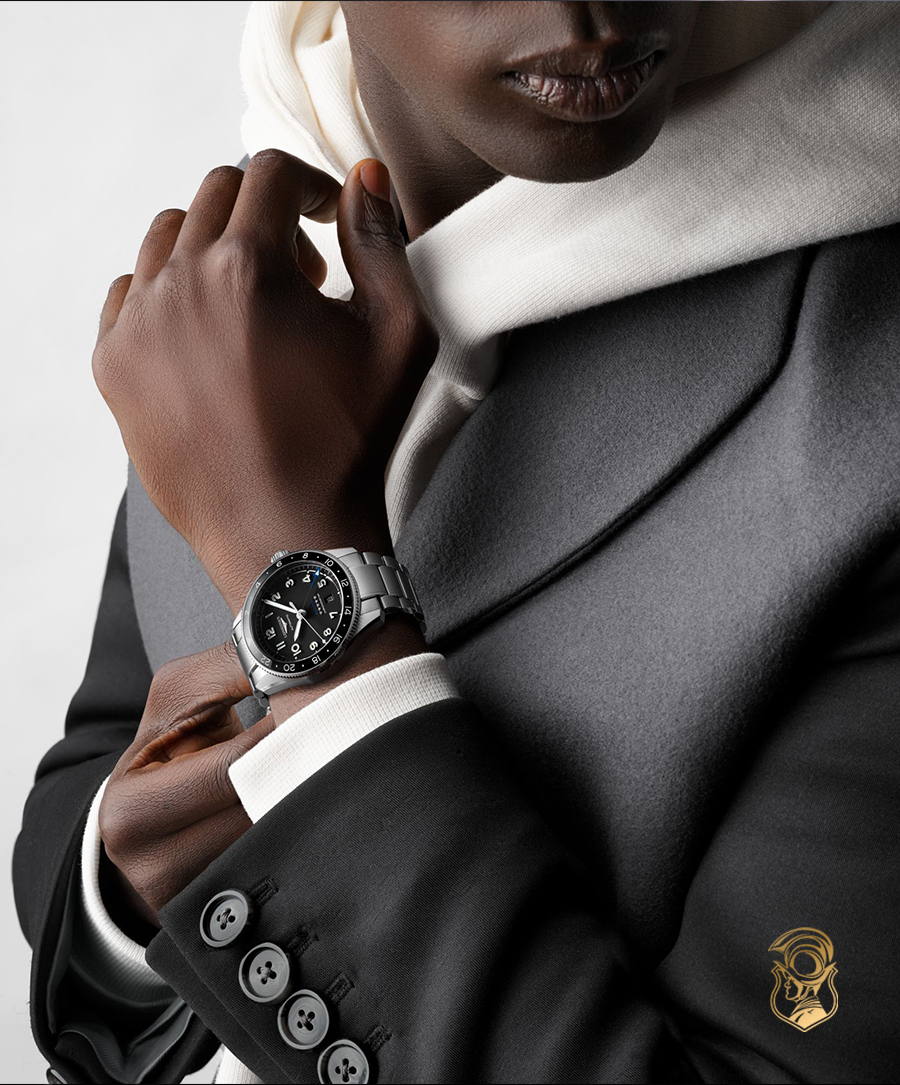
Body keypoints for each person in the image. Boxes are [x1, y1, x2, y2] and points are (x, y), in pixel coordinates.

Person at [14, 2, 900, 1083]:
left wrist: (323, 637)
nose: (587, 12)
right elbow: (103, 759)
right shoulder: (247, 272)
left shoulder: (865, 392)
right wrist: (122, 900)